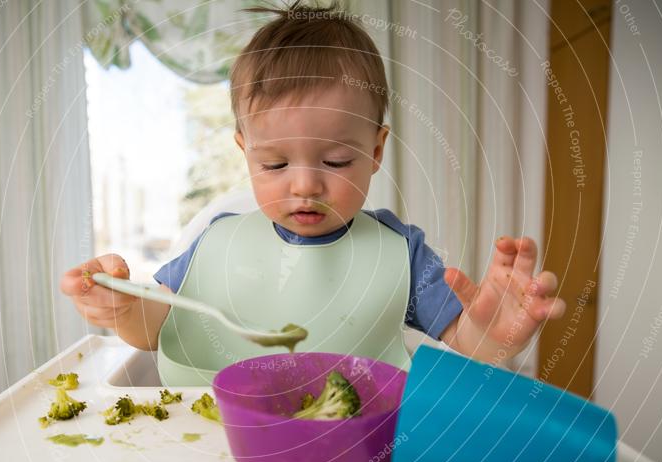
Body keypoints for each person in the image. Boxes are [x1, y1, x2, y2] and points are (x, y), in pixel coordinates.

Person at [60, 1, 565, 386]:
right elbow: (159, 327)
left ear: (375, 150)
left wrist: (495, 336)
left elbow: (467, 341)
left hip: (356, 461)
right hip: (212, 451)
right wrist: (125, 308)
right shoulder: (219, 244)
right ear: (244, 151)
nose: (304, 184)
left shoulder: (400, 253)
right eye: (274, 163)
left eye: (336, 161)